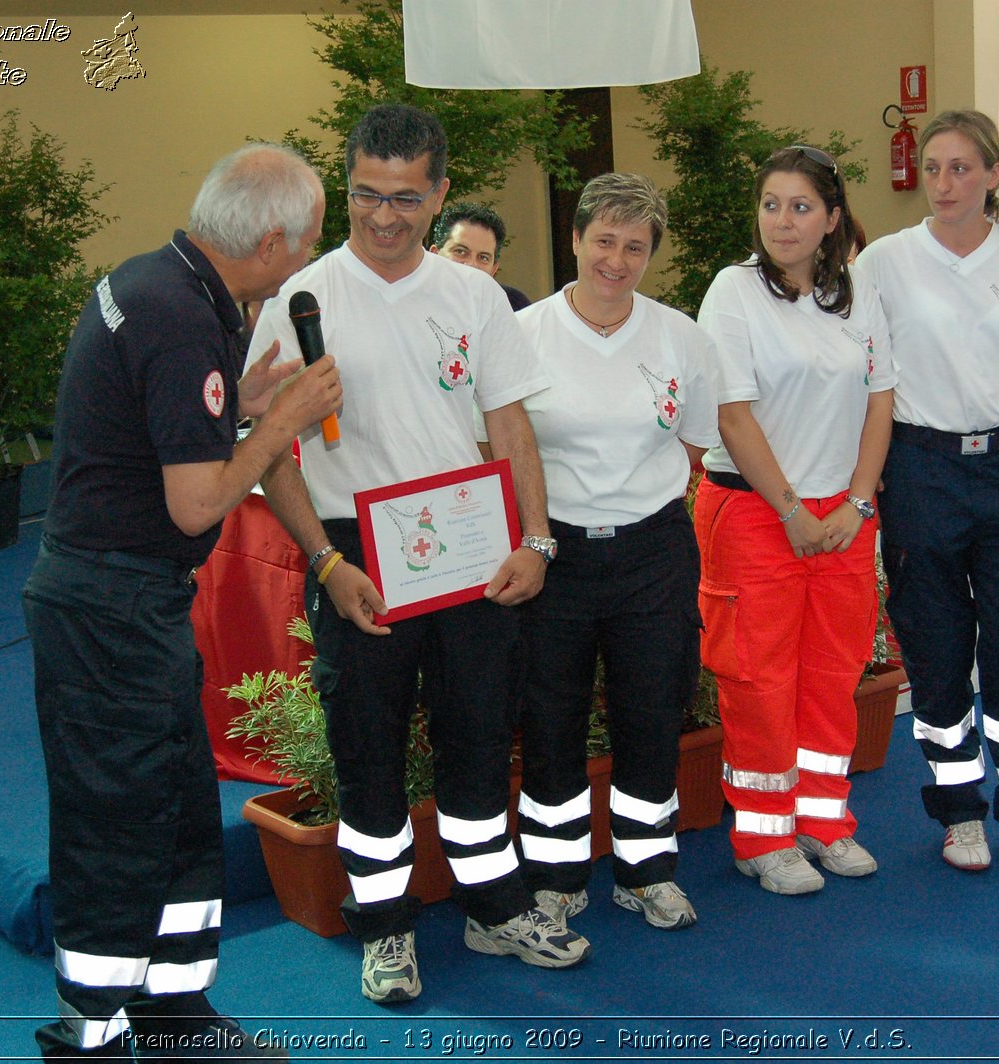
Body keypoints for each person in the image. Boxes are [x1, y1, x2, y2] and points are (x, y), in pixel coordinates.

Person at [251, 103, 588, 1006]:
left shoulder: (476, 297)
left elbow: (510, 424)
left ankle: (492, 905)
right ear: (345, 186)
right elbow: (268, 454)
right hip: (355, 554)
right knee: (368, 749)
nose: (385, 215)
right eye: (367, 194)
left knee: (480, 735)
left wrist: (535, 539)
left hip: (471, 545)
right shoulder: (300, 297)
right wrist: (325, 562)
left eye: (407, 197)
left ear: (439, 194)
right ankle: (386, 929)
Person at [23, 143, 342, 1060]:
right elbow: (198, 502)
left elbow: (153, 421)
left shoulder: (160, 281)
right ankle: (88, 1032)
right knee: (115, 817)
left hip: (126, 599)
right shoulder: (180, 318)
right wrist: (277, 421)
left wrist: (235, 403)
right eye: (311, 239)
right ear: (273, 239)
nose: (309, 258)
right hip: (106, 605)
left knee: (175, 803)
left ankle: (174, 1016)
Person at [853, 110, 999, 874]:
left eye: (961, 168)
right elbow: (857, 367)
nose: (945, 183)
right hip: (922, 472)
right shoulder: (884, 262)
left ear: (992, 175)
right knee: (938, 647)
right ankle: (959, 813)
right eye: (933, 168)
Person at [507, 173, 718, 932]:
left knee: (652, 711)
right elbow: (496, 446)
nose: (616, 260)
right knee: (552, 715)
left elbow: (694, 440)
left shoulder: (680, 336)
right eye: (603, 240)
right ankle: (557, 877)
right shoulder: (523, 334)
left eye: (635, 246)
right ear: (574, 240)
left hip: (653, 550)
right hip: (551, 554)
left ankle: (646, 868)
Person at [693, 146, 894, 897]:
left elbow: (881, 400)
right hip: (754, 511)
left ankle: (823, 819)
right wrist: (789, 510)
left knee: (833, 673)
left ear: (832, 218)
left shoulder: (855, 293)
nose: (784, 220)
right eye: (772, 204)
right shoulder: (733, 291)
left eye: (802, 206)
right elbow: (733, 414)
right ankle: (763, 833)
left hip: (843, 515)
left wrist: (858, 503)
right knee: (758, 678)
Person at [431, 200, 532, 310]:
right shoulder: (413, 301)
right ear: (434, 255)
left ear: (494, 270)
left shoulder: (513, 306)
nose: (471, 265)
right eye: (460, 252)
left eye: (483, 258)